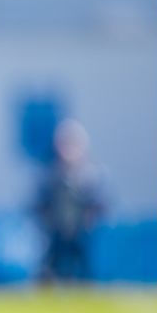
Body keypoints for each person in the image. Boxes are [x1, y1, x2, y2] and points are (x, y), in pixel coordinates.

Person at [34, 119, 106, 283]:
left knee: (84, 270)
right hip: (56, 232)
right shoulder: (51, 173)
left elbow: (100, 203)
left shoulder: (91, 174)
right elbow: (39, 203)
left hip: (81, 233)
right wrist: (48, 220)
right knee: (49, 269)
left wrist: (89, 218)